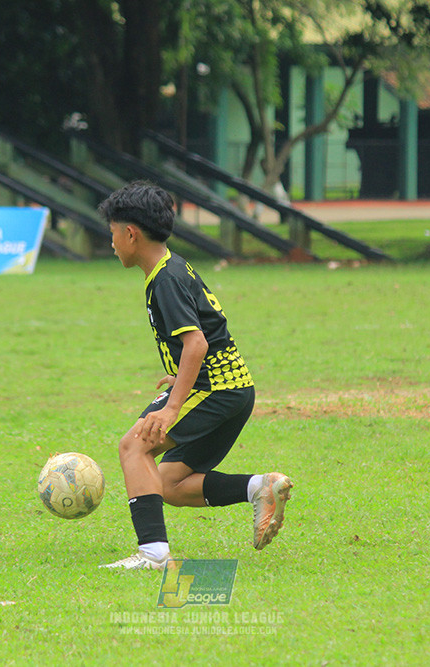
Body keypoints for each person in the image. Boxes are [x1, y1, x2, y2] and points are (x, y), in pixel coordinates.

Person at [96, 181, 292, 570]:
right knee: (168, 482)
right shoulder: (170, 266)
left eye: (113, 233)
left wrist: (171, 408)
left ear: (131, 234)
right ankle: (259, 487)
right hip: (231, 389)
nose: (112, 242)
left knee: (134, 447)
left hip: (217, 389)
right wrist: (177, 377)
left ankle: (153, 554)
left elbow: (197, 344)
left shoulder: (166, 278)